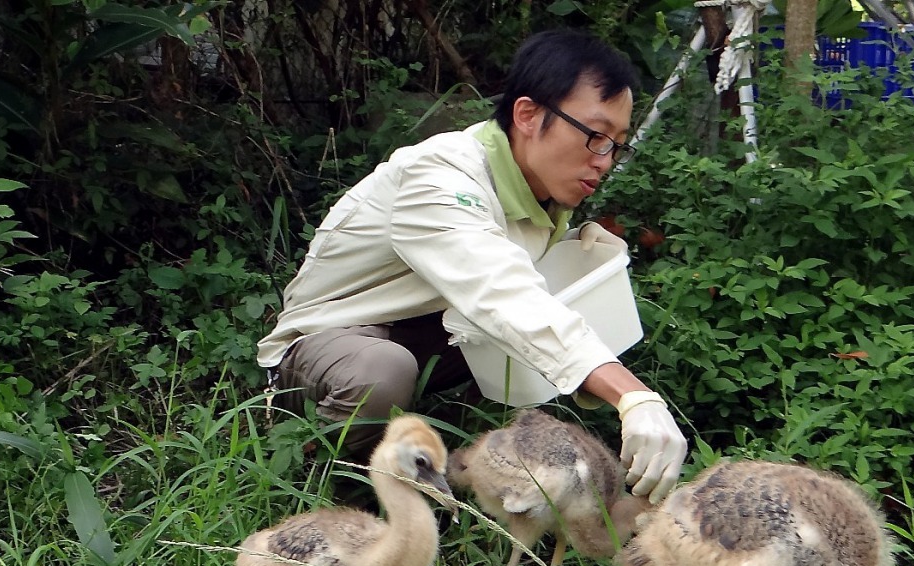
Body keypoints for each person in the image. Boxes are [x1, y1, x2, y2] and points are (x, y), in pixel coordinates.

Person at [257, 30, 687, 504]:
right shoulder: (441, 179)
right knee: (381, 370)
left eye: (617, 145)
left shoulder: (539, 188)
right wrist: (632, 396)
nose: (605, 162)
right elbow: (501, 292)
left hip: (427, 331)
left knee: (545, 319)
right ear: (528, 115)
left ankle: (458, 457)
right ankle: (343, 483)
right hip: (331, 341)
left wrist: (574, 251)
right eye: (595, 137)